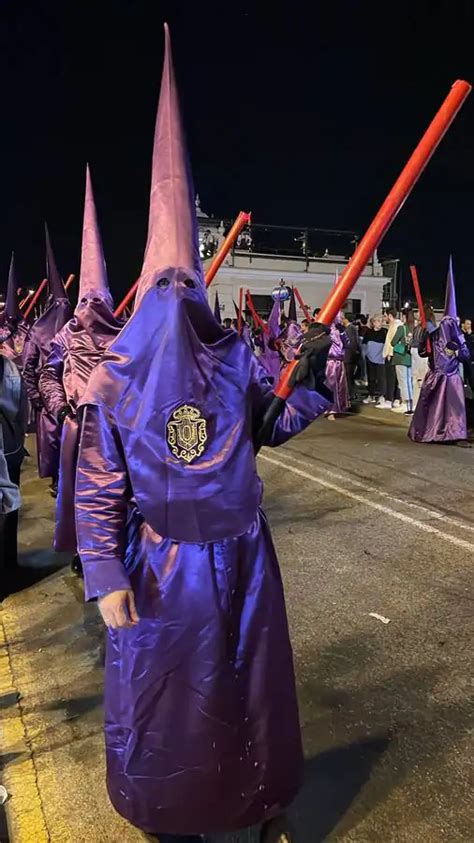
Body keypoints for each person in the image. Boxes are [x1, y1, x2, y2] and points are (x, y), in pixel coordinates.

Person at [74, 25, 332, 842]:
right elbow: (98, 485)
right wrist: (107, 570)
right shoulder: (116, 375)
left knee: (248, 692)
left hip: (245, 556)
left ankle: (256, 807)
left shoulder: (231, 360)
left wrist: (318, 377)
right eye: (168, 277)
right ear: (150, 281)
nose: (180, 289)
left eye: (191, 278)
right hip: (163, 568)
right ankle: (169, 813)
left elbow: (269, 425)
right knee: (169, 703)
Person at [38, 166, 123, 569]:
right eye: (83, 302)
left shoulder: (125, 337)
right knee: (77, 492)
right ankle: (82, 551)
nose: (89, 309)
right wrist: (60, 407)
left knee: (116, 492)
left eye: (96, 301)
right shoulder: (65, 337)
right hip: (77, 425)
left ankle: (112, 550)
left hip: (116, 428)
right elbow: (48, 374)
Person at [23, 227, 73, 490]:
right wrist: (36, 398)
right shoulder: (37, 331)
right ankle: (56, 481)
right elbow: (28, 368)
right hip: (47, 400)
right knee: (53, 444)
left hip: (71, 397)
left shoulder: (73, 329)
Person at [409, 257, 470, 444]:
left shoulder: (436, 332)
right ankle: (442, 433)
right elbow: (465, 355)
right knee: (444, 407)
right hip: (444, 377)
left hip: (442, 376)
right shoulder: (440, 333)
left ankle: (442, 432)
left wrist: (455, 353)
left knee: (443, 407)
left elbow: (464, 355)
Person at [0, 352, 28, 599]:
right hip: (10, 448)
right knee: (9, 510)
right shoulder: (10, 367)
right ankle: (9, 566)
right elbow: (21, 410)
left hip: (9, 449)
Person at [325, 313, 350, 419]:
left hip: (339, 361)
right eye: (341, 317)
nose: (342, 319)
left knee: (340, 387)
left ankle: (339, 407)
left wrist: (343, 332)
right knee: (331, 385)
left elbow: (347, 344)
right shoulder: (328, 330)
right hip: (330, 362)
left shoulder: (341, 330)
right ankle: (330, 410)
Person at [390, 308, 414, 415]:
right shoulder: (414, 328)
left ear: (404, 316)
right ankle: (410, 405)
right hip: (410, 358)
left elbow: (393, 342)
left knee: (403, 382)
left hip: (400, 358)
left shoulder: (402, 328)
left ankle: (406, 405)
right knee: (409, 381)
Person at [362, 313, 387, 404]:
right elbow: (364, 345)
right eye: (379, 321)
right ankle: (371, 395)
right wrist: (366, 355)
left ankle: (381, 396)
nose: (380, 323)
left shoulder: (385, 332)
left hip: (381, 360)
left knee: (381, 379)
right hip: (370, 359)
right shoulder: (369, 332)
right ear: (374, 322)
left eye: (382, 321)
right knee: (371, 378)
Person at [380, 308, 401, 409]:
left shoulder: (395, 326)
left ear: (390, 316)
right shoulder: (396, 325)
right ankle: (396, 399)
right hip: (395, 355)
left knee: (391, 378)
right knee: (396, 378)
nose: (384, 318)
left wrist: (389, 353)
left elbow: (393, 342)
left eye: (385, 316)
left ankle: (389, 400)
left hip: (392, 355)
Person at [410, 315, 430, 408]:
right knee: (421, 379)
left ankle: (415, 404)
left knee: (416, 378)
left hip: (415, 351)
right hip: (420, 353)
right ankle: (420, 404)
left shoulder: (417, 328)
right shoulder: (425, 327)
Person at [342, 312, 360, 402]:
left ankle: (350, 394)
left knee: (348, 377)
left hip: (349, 357)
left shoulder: (350, 329)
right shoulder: (351, 328)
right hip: (350, 356)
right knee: (349, 377)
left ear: (346, 319)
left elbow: (352, 343)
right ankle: (350, 393)